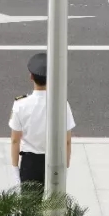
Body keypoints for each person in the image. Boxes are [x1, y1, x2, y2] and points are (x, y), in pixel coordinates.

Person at [9, 52, 75, 186]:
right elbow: (67, 141)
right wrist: (65, 167)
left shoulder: (20, 105)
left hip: (30, 164)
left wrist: (15, 169)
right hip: (54, 160)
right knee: (55, 205)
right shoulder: (61, 104)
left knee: (30, 206)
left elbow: (15, 140)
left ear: (31, 77)